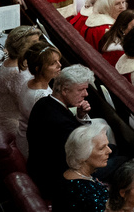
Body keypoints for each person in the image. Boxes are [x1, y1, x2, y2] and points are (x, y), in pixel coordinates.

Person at [27, 65, 99, 196]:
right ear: (65, 90)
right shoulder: (59, 122)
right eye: (81, 90)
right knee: (118, 161)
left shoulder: (43, 102)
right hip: (56, 181)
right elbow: (83, 152)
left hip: (42, 169)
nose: (86, 94)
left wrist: (81, 116)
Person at [51, 124, 110, 212]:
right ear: (83, 156)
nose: (109, 151)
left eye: (107, 145)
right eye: (101, 148)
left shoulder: (75, 175)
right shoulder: (84, 193)